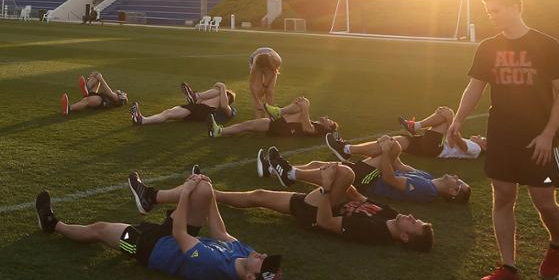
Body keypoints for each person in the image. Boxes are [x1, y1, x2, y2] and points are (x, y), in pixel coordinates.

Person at [447, 0, 559, 280]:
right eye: (488, 11)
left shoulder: (546, 45)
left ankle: (557, 244)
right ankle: (509, 268)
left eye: (496, 10)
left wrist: (547, 135)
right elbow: (475, 87)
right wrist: (457, 119)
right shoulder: (488, 47)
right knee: (503, 196)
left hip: (538, 139)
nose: (491, 16)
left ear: (515, 7)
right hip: (501, 136)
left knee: (544, 202)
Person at [35, 174, 283, 280]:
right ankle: (149, 196)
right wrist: (209, 196)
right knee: (203, 189)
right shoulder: (246, 254)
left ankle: (52, 224)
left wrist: (184, 194)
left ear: (250, 278)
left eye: (264, 263)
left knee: (100, 229)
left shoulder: (214, 267)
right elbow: (220, 232)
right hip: (172, 237)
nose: (263, 255)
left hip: (146, 248)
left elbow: (179, 234)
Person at [138, 151, 432, 251]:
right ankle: (194, 191)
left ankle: (289, 173)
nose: (411, 217)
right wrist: (336, 184)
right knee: (256, 196)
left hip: (316, 213)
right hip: (320, 200)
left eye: (414, 224)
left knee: (343, 172)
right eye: (416, 218)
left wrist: (328, 187)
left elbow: (325, 222)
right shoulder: (391, 214)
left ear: (405, 237)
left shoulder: (375, 232)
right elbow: (358, 196)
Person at [316, 134, 471, 203]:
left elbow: (389, 179)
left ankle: (346, 149)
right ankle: (346, 149)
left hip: (368, 181)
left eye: (458, 182)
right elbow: (399, 165)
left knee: (391, 147)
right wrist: (389, 146)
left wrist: (385, 151)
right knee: (316, 166)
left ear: (453, 191)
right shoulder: (429, 178)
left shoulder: (426, 190)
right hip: (373, 173)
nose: (456, 177)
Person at [325, 105, 487, 162]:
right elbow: (454, 142)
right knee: (391, 142)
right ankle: (347, 150)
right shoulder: (475, 146)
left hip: (435, 148)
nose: (480, 136)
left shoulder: (477, 149)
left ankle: (414, 126)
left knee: (448, 113)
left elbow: (461, 145)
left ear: (484, 146)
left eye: (483, 139)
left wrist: (452, 126)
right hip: (428, 145)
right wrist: (452, 130)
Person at [207, 94, 337, 139]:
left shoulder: (321, 129)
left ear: (328, 127)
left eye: (329, 120)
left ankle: (278, 112)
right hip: (280, 124)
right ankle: (219, 131)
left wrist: (305, 108)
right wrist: (299, 104)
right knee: (247, 125)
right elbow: (301, 120)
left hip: (283, 128)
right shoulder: (316, 123)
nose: (327, 117)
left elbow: (307, 128)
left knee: (304, 105)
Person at [129, 81, 238, 126]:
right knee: (168, 113)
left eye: (225, 95)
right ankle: (142, 120)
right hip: (197, 108)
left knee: (169, 114)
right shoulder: (213, 101)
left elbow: (224, 105)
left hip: (203, 111)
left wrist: (223, 87)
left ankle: (196, 95)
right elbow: (199, 104)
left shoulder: (229, 109)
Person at [60, 72, 127, 115]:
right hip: (100, 96)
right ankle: (86, 88)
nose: (119, 90)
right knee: (96, 78)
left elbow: (110, 93)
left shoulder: (117, 98)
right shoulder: (116, 96)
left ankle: (69, 109)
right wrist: (92, 77)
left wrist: (101, 78)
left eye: (121, 91)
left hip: (102, 101)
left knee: (87, 100)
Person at [247, 47, 282, 118]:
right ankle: (258, 119)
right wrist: (257, 100)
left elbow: (274, 73)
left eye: (265, 68)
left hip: (271, 61)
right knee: (258, 92)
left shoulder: (277, 60)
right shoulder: (255, 64)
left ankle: (269, 117)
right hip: (255, 59)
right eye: (262, 68)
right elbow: (251, 84)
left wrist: (266, 85)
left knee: (269, 92)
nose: (264, 70)